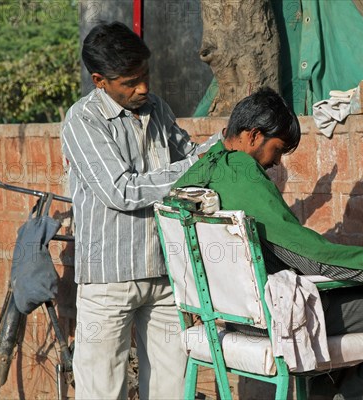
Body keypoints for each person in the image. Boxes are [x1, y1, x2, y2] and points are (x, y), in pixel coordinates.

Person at [174, 87, 363, 399]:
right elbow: (310, 258)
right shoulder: (243, 174)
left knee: (355, 294)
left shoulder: (199, 171)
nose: (276, 162)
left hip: (226, 316)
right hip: (273, 319)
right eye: (278, 149)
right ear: (254, 136)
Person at [60, 22, 220, 399]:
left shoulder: (157, 109)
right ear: (100, 81)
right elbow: (121, 190)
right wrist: (191, 169)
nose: (143, 88)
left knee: (172, 387)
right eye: (130, 82)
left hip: (163, 273)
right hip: (108, 279)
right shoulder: (83, 120)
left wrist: (221, 144)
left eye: (145, 75)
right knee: (102, 389)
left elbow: (191, 154)